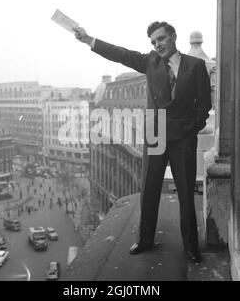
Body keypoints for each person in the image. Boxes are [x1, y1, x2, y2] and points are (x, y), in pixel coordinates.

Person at [74, 22, 211, 264]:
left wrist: (192, 129)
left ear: (173, 37)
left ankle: (190, 246)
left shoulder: (196, 65)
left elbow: (204, 105)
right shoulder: (150, 62)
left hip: (183, 138)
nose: (157, 45)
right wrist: (89, 40)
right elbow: (120, 54)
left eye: (161, 39)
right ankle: (145, 239)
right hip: (156, 134)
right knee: (149, 189)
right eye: (153, 42)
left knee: (186, 194)